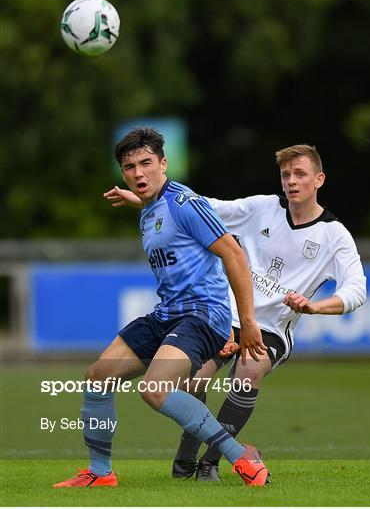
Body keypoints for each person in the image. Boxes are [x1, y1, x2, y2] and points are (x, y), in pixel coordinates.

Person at [107, 143, 367, 482]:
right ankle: (186, 459)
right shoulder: (262, 208)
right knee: (192, 381)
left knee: (249, 369)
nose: (291, 181)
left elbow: (356, 290)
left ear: (319, 179)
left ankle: (210, 463)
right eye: (286, 174)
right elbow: (205, 209)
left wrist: (314, 306)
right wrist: (146, 199)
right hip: (225, 318)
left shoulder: (334, 235)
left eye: (300, 174)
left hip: (271, 329)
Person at [53, 127, 270, 488]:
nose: (138, 173)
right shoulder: (150, 208)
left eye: (146, 163)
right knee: (98, 376)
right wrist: (142, 202)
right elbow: (162, 210)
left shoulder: (187, 204)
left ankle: (240, 456)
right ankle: (100, 473)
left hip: (203, 315)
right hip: (168, 313)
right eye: (129, 167)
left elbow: (233, 253)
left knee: (155, 389)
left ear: (164, 163)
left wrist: (246, 321)